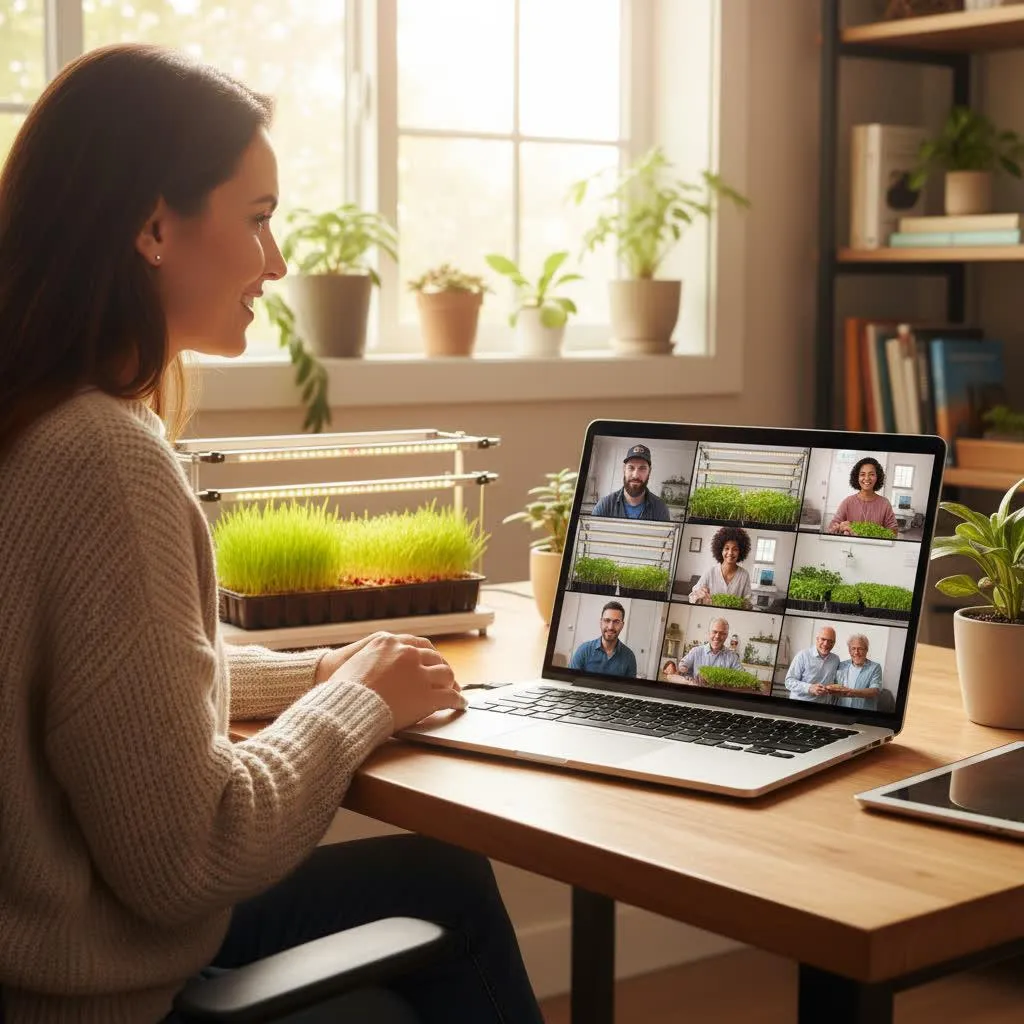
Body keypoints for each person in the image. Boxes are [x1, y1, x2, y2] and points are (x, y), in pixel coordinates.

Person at [0, 45, 543, 1024]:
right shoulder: (102, 461)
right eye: (257, 221)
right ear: (154, 226)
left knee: (443, 880)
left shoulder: (31, 419)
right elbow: (190, 854)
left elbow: (107, 695)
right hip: (98, 995)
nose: (279, 261)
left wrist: (320, 672)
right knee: (452, 899)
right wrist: (356, 708)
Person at [591, 443, 672, 521]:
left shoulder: (660, 508)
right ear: (624, 469)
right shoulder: (604, 505)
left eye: (642, 468)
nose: (635, 475)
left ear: (649, 471)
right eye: (631, 468)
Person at [828, 456, 898, 536]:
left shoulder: (884, 503)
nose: (867, 478)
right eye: (862, 474)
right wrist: (840, 527)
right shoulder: (848, 502)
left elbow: (894, 531)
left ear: (877, 477)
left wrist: (869, 532)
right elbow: (832, 527)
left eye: (871, 474)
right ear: (857, 477)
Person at [689, 526, 753, 607]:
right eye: (726, 548)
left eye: (735, 549)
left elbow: (749, 602)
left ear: (740, 552)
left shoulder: (744, 575)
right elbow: (691, 598)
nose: (730, 553)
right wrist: (699, 595)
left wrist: (744, 604)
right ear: (721, 550)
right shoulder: (710, 572)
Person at [569, 601, 638, 677]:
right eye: (607, 620)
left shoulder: (629, 657)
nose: (611, 627)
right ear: (601, 622)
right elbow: (570, 679)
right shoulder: (584, 650)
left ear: (622, 625)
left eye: (616, 622)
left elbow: (629, 688)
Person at [667, 618, 742, 683]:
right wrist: (681, 669)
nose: (717, 636)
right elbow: (682, 666)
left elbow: (742, 676)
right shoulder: (696, 651)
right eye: (715, 632)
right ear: (709, 633)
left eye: (722, 633)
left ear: (727, 635)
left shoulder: (733, 657)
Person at [826, 634, 885, 710]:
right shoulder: (841, 665)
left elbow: (875, 691)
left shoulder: (875, 667)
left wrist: (852, 692)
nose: (856, 652)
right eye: (853, 648)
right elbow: (834, 685)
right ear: (849, 650)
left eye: (860, 649)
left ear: (866, 650)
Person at [785, 626, 840, 702]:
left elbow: (835, 682)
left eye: (830, 641)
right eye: (823, 639)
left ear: (834, 643)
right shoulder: (802, 655)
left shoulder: (835, 659)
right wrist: (809, 688)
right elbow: (789, 682)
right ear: (817, 639)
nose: (826, 644)